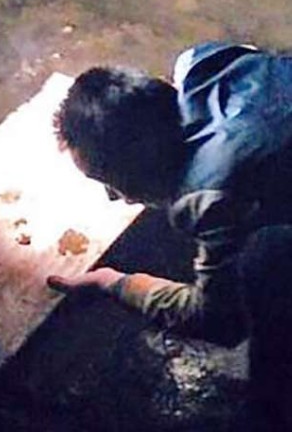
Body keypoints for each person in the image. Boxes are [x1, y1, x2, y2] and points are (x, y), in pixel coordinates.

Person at [47, 42, 292, 429]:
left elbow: (219, 321)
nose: (114, 197)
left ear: (141, 167)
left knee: (266, 264)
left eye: (112, 181)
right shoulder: (206, 62)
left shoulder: (210, 196)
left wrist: (115, 283)